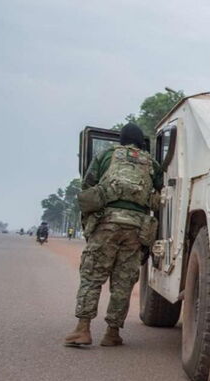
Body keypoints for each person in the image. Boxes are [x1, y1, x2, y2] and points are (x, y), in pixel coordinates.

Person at [63, 123, 162, 348]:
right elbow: (160, 192)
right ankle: (112, 333)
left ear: (121, 141)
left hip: (106, 224)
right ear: (141, 143)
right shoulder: (152, 163)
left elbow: (88, 186)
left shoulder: (106, 155)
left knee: (92, 276)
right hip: (137, 228)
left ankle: (83, 329)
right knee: (123, 281)